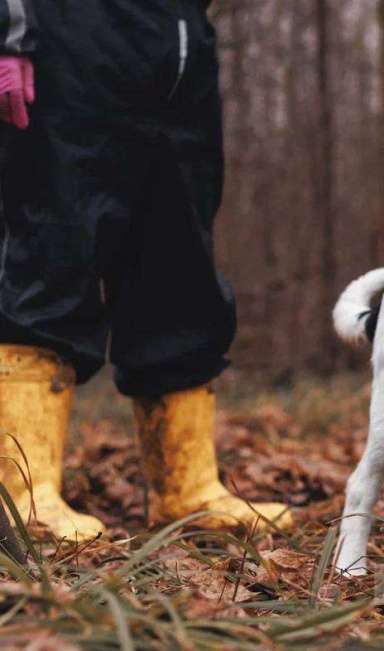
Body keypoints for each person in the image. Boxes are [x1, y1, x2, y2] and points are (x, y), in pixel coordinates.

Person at [0, 0, 292, 540]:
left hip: (178, 46)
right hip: (64, 38)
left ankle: (185, 486)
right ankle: (21, 490)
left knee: (178, 263)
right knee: (54, 249)